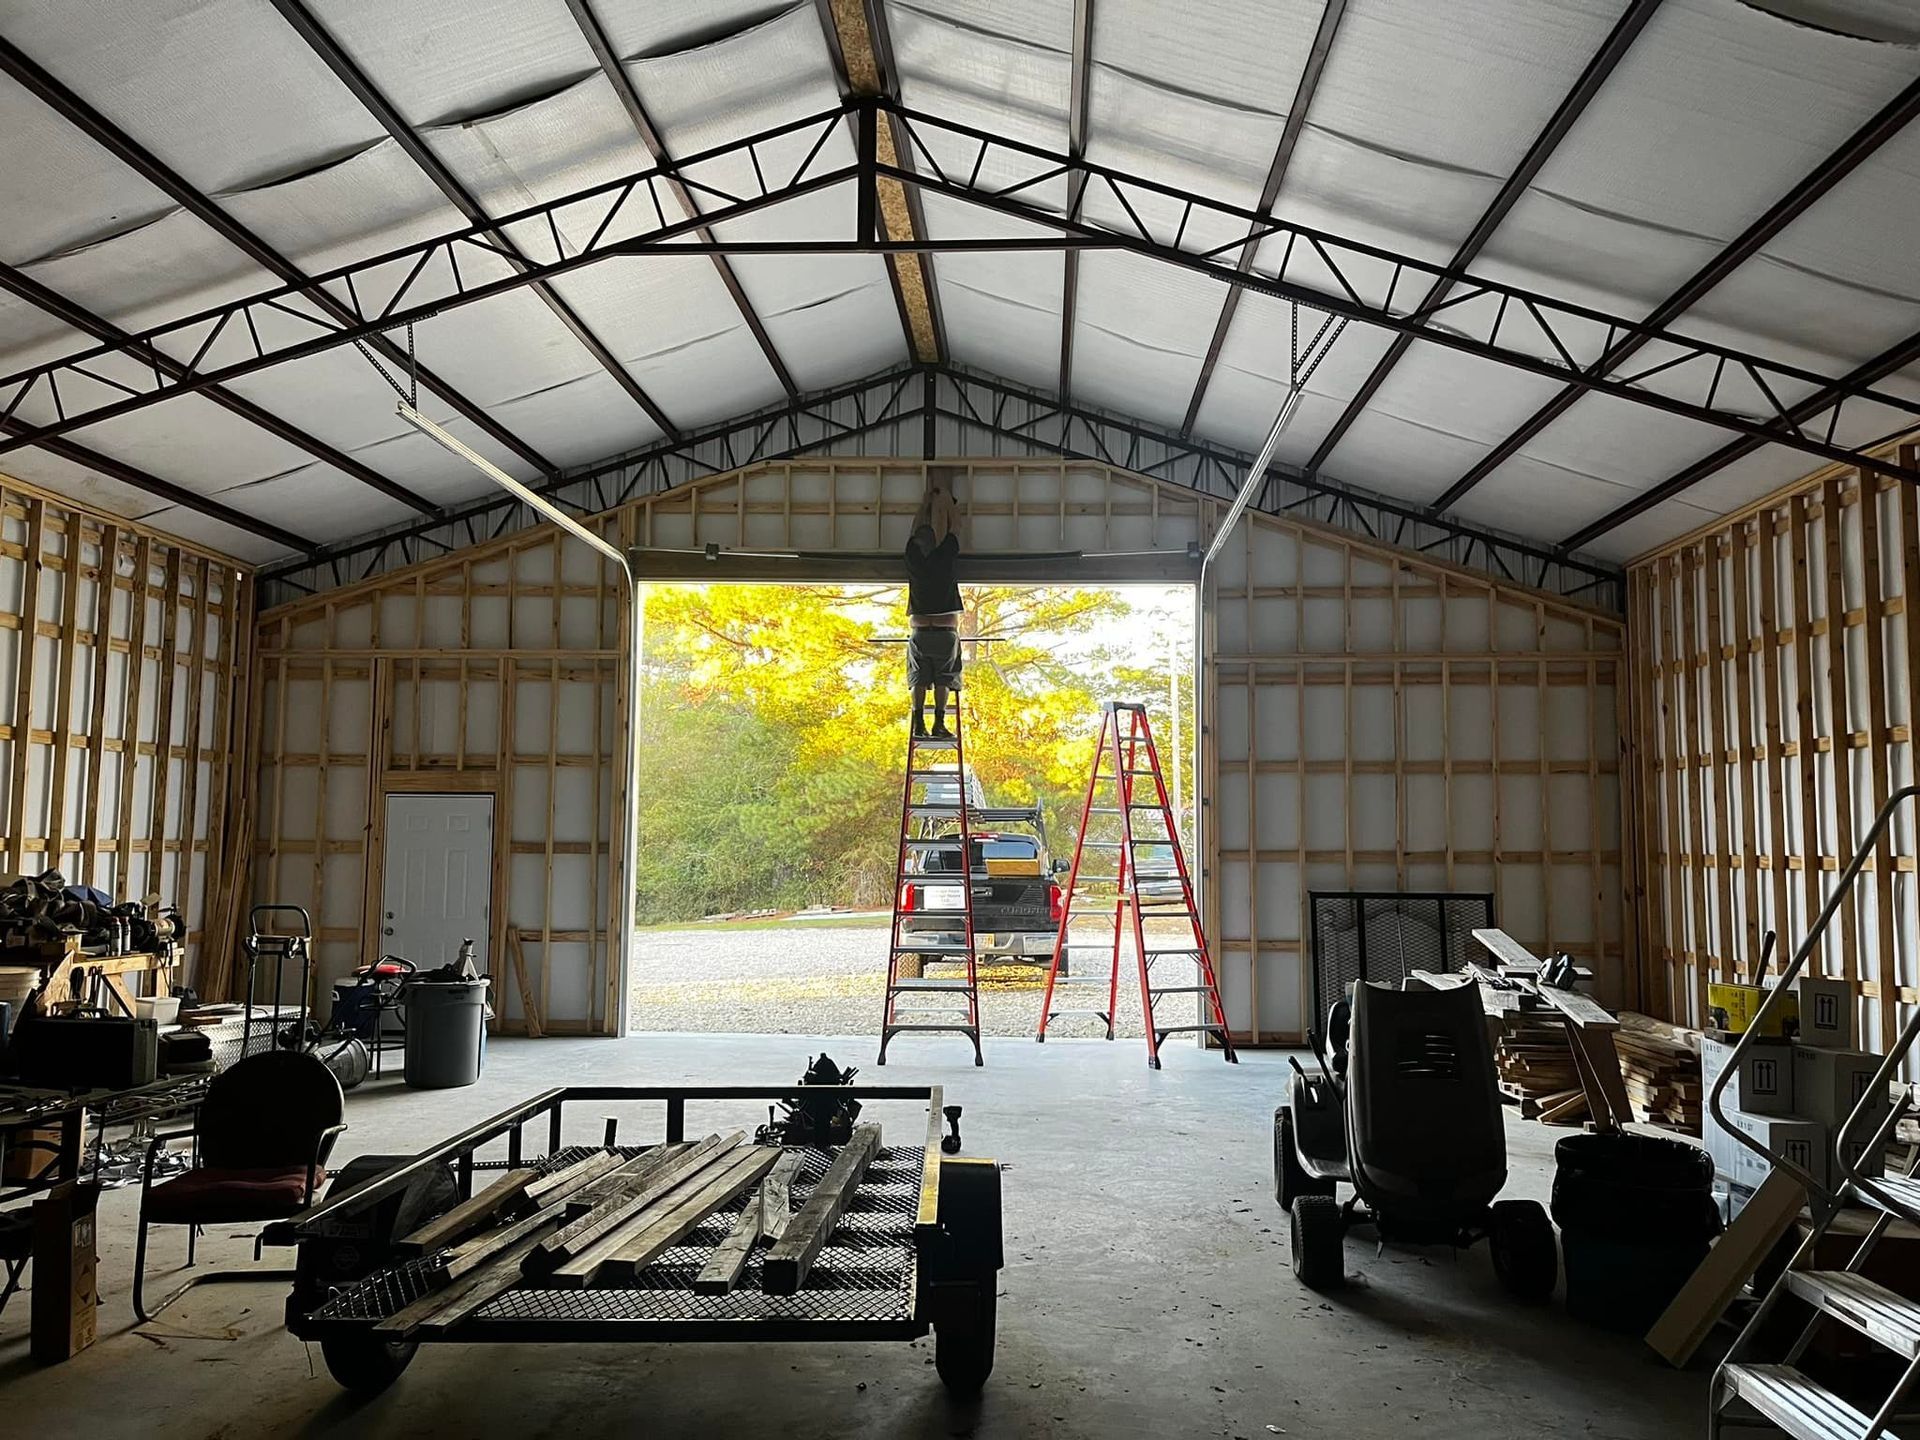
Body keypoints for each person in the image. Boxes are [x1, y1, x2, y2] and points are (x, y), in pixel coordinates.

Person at [904, 520, 962, 738]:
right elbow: (956, 528)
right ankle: (939, 723)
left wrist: (925, 501)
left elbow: (911, 532)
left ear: (917, 543)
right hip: (945, 631)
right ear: (935, 541)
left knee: (918, 678)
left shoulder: (912, 559)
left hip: (919, 632)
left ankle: (918, 723)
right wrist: (946, 499)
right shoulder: (945, 557)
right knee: (943, 678)